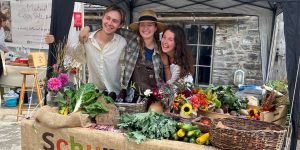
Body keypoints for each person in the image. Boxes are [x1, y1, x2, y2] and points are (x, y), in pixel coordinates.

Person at [46, 5, 127, 94]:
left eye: (115, 21)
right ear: (102, 18)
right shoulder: (87, 39)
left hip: (115, 94)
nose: (110, 23)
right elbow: (73, 52)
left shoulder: (122, 43)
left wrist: (88, 27)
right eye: (108, 18)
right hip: (92, 94)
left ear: (120, 25)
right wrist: (55, 41)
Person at [80, 10, 167, 92]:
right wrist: (88, 27)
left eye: (149, 25)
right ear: (139, 27)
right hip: (132, 97)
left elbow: (165, 78)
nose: (145, 28)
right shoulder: (131, 38)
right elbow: (110, 27)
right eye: (142, 25)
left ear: (155, 28)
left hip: (155, 97)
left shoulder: (161, 48)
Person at [0, 12, 9, 76]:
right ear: (2, 20)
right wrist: (6, 50)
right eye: (4, 22)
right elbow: (1, 43)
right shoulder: (1, 29)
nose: (5, 23)